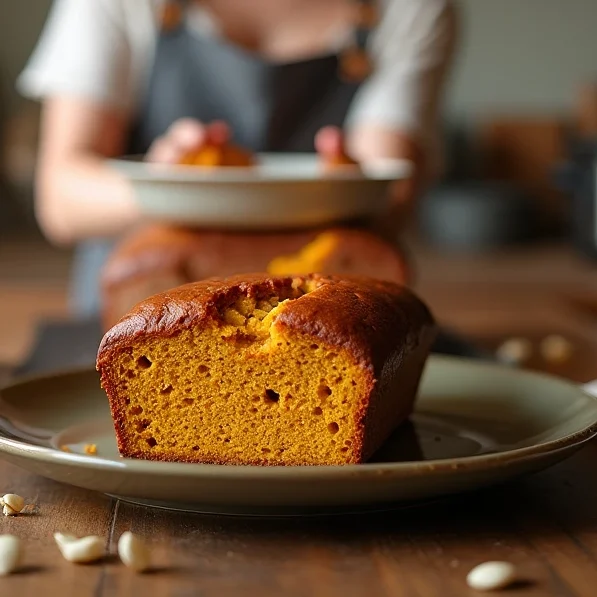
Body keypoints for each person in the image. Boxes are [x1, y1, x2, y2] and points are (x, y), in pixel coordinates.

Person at [18, 0, 457, 316]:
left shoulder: (411, 9)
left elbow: (391, 193)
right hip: (133, 308)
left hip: (322, 311)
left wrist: (351, 179)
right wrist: (168, 186)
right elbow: (62, 197)